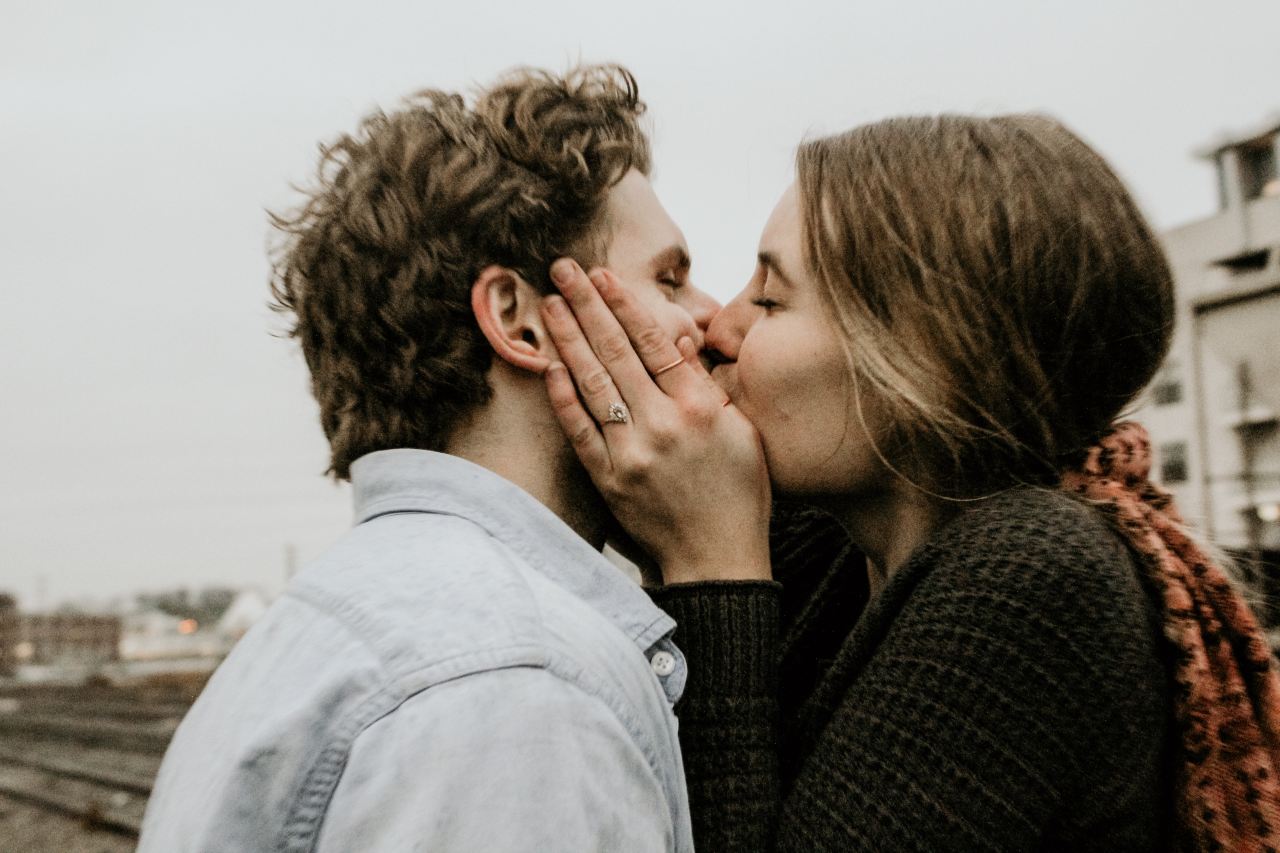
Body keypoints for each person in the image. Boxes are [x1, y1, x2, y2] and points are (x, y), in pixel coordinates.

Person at [539, 114, 1280, 851]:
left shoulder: (1036, 574)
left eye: (769, 300)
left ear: (919, 361)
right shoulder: (838, 553)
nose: (717, 328)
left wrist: (711, 567)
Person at [138, 64, 719, 852]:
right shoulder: (520, 688)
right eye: (671, 278)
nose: (711, 321)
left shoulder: (310, 630)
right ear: (520, 321)